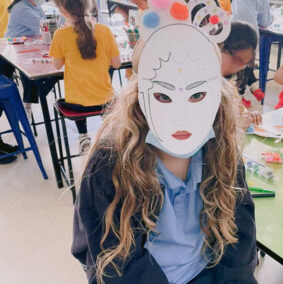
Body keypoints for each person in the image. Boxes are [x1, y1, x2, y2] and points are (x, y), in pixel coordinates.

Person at [71, 1, 257, 283]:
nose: (181, 117)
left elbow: (239, 239)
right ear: (141, 93)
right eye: (163, 96)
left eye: (196, 96)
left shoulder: (221, 147)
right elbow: (116, 263)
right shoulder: (110, 162)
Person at [49, 0, 121, 154]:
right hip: (104, 102)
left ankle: (83, 135)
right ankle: (108, 132)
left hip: (76, 106)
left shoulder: (61, 35)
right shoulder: (104, 31)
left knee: (76, 95)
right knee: (112, 96)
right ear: (90, 7)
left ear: (63, 12)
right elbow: (116, 64)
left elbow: (56, 65)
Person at [4, 0, 46, 118]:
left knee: (34, 70)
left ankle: (28, 104)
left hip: (28, 49)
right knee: (30, 70)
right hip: (12, 50)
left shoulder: (36, 7)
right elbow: (44, 27)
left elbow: (44, 29)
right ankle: (27, 106)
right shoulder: (21, 8)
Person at [220, 21, 262, 127]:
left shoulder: (229, 81)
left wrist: (248, 115)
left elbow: (237, 109)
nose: (239, 68)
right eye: (238, 60)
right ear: (221, 47)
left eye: (244, 63)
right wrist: (236, 124)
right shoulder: (204, 83)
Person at [231, 0, 273, 100]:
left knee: (240, 67)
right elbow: (265, 22)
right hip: (249, 34)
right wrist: (271, 18)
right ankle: (240, 97)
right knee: (246, 67)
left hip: (232, 29)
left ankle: (253, 88)